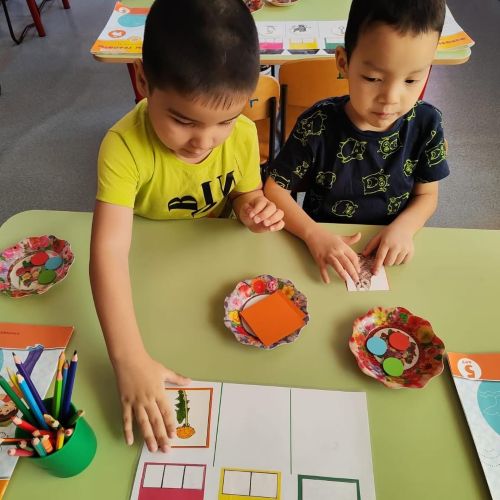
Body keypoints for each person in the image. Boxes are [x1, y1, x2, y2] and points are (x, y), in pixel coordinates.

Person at [90, 0, 284, 453]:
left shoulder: (241, 135)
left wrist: (252, 209)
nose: (204, 140)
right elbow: (109, 252)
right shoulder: (123, 147)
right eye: (182, 120)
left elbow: (244, 194)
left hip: (212, 277)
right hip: (147, 277)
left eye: (225, 120)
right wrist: (128, 358)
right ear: (143, 80)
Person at [264, 0, 449, 284]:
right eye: (373, 78)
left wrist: (405, 229)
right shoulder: (318, 122)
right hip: (319, 249)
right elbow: (274, 189)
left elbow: (427, 196)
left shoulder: (427, 123)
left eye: (412, 80)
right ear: (343, 63)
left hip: (390, 255)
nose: (390, 98)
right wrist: (313, 234)